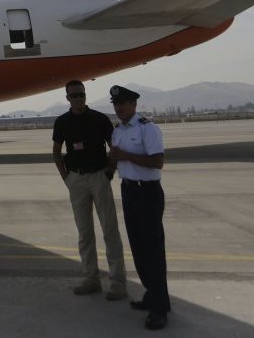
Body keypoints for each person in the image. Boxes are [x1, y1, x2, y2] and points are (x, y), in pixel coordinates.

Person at [53, 80, 126, 299]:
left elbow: (114, 147)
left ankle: (118, 282)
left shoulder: (100, 119)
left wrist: (109, 172)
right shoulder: (63, 122)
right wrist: (66, 177)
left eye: (81, 95)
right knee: (85, 233)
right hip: (76, 179)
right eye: (74, 96)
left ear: (86, 95)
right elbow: (56, 152)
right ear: (68, 98)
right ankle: (91, 278)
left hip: (98, 177)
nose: (78, 99)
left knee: (110, 230)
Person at [108, 85, 170, 331]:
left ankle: (160, 307)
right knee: (138, 247)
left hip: (148, 192)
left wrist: (126, 156)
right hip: (129, 190)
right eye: (115, 104)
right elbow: (115, 158)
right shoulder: (118, 131)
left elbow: (158, 161)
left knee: (153, 250)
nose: (119, 107)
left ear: (134, 105)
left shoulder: (148, 128)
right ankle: (151, 294)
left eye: (123, 103)